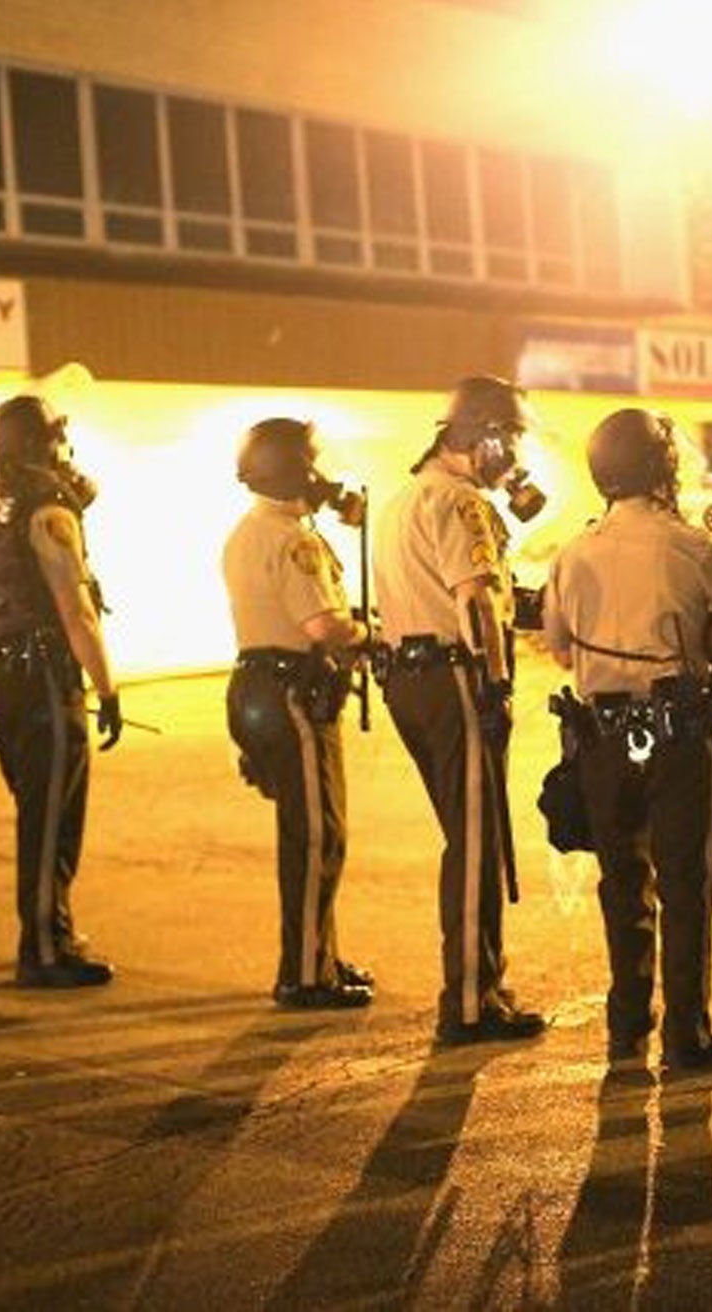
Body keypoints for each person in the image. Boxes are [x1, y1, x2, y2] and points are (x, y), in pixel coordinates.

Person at [543, 407, 712, 1072]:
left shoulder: (571, 552)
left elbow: (557, 649)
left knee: (621, 881)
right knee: (685, 885)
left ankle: (627, 1026)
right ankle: (687, 1035)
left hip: (602, 741)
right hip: (677, 737)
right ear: (663, 468)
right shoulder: (694, 547)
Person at [375, 375, 547, 1044]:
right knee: (476, 842)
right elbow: (476, 601)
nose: (518, 457)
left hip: (410, 678)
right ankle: (472, 1002)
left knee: (467, 834)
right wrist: (496, 686)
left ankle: (483, 984)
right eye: (516, 439)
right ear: (487, 437)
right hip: (451, 677)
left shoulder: (404, 497)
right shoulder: (461, 501)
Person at [0, 395, 122, 987]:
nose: (63, 450)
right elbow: (76, 610)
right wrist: (107, 687)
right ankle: (46, 949)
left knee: (35, 808)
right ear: (36, 443)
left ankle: (50, 934)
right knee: (52, 817)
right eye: (54, 438)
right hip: (45, 676)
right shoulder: (47, 508)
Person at [221, 418, 374, 1010]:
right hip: (293, 694)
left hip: (257, 687)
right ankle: (307, 974)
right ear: (296, 470)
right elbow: (323, 626)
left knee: (305, 832)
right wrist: (366, 633)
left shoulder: (248, 530)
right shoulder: (294, 539)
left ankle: (319, 954)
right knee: (317, 837)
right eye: (313, 464)